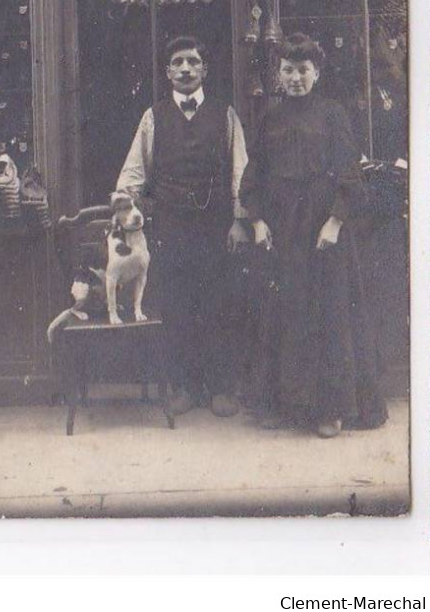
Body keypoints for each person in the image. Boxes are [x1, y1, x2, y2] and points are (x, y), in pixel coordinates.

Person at [240, 33, 387, 437]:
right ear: (278, 74)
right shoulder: (270, 117)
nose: (295, 78)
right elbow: (255, 174)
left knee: (329, 313)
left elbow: (349, 171)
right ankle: (289, 406)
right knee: (288, 312)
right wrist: (257, 220)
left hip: (324, 228)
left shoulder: (332, 114)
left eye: (303, 70)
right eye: (288, 70)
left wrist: (335, 221)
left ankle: (331, 410)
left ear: (317, 73)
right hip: (283, 227)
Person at [117, 35, 250, 417]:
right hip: (170, 228)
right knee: (176, 305)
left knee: (219, 304)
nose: (186, 69)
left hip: (216, 226)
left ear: (205, 70)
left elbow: (240, 171)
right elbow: (132, 176)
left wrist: (239, 222)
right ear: (168, 72)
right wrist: (133, 214)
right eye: (178, 62)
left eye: (193, 61)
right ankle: (186, 387)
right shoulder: (153, 117)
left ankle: (221, 388)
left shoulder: (225, 114)